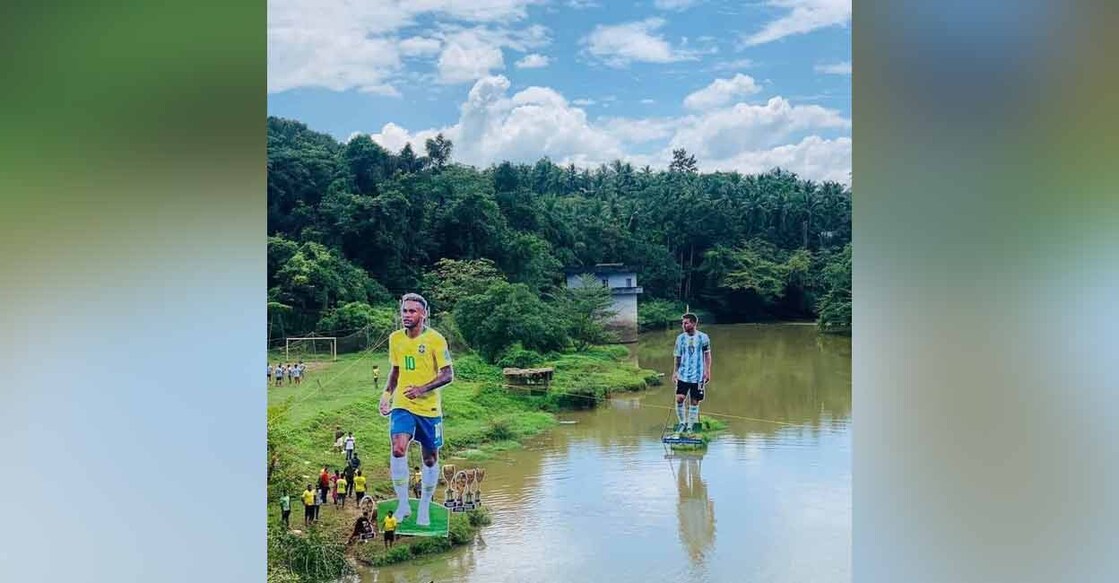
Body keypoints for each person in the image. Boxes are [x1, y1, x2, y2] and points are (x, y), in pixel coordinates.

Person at [379, 293, 455, 527]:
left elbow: (448, 374)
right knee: (399, 448)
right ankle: (403, 505)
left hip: (429, 408)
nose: (407, 315)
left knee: (430, 459)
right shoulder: (395, 339)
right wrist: (386, 394)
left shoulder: (436, 340)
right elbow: (395, 371)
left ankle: (424, 507)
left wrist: (422, 389)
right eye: (404, 311)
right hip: (403, 403)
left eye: (412, 311)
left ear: (424, 314)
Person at [672, 313, 711, 435]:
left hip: (698, 377)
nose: (683, 325)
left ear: (694, 323)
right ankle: (682, 423)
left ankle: (690, 425)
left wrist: (707, 371)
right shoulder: (680, 338)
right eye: (683, 323)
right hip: (683, 374)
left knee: (694, 401)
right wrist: (675, 372)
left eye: (686, 323)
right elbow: (677, 356)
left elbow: (707, 355)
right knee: (680, 398)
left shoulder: (703, 337)